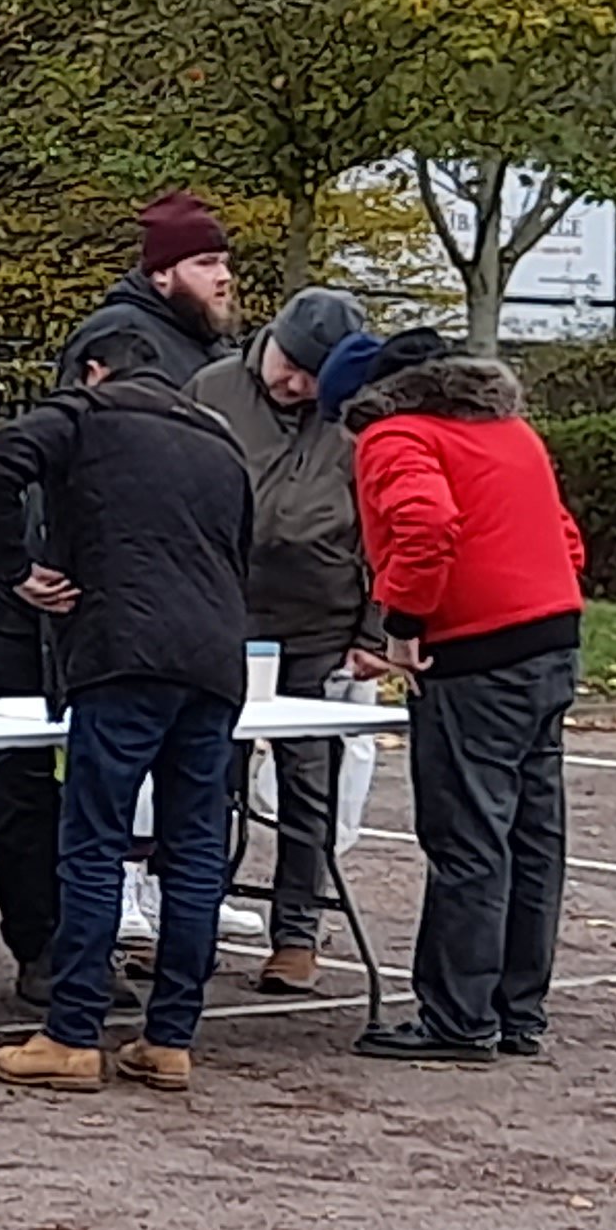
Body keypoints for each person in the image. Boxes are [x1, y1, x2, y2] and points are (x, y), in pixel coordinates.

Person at [0, 193, 244, 1008]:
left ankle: (110, 977)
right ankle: (53, 960)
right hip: (60, 611)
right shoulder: (118, 350)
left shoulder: (200, 355)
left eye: (225, 264)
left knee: (135, 812)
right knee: (36, 791)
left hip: (133, 621)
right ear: (162, 273)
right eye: (207, 264)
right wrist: (25, 569)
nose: (224, 279)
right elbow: (27, 464)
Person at [0, 324, 254, 1096]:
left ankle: (71, 1033)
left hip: (124, 651)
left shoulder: (86, 413)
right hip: (216, 658)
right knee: (193, 851)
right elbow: (242, 548)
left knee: (93, 842)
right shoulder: (220, 438)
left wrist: (13, 569)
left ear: (95, 370)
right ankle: (170, 1038)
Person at [334, 329, 589, 1068]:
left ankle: (457, 1015)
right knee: (533, 833)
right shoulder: (512, 432)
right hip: (548, 633)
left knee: (468, 833)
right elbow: (566, 538)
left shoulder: (397, 437)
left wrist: (404, 625)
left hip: (474, 649)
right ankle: (517, 1007)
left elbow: (424, 524)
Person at [192, 285, 372, 993]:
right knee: (205, 773)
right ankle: (193, 913)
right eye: (289, 366)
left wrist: (375, 628)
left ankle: (296, 931)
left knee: (308, 779)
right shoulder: (211, 388)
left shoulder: (358, 415)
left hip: (321, 621)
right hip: (220, 613)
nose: (295, 385)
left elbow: (384, 525)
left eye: (313, 377)